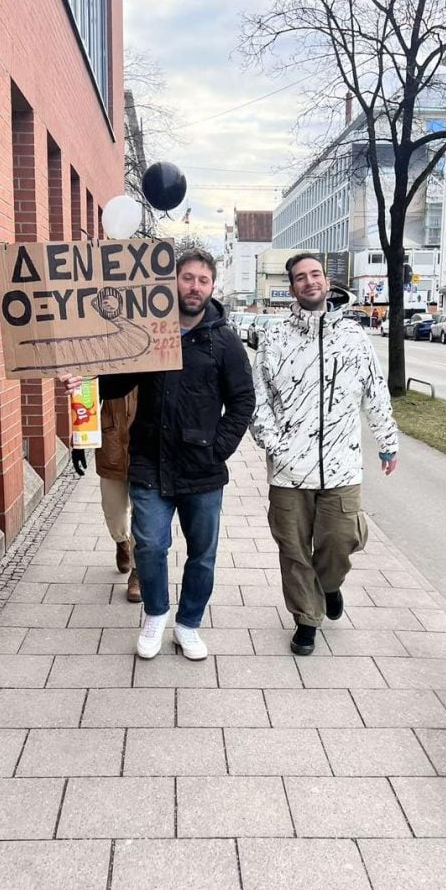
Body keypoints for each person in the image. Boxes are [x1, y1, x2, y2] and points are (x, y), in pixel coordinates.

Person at [62, 249, 255, 660]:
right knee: (149, 545)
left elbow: (242, 402)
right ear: (173, 282)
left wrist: (218, 448)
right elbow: (116, 382)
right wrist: (85, 379)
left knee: (202, 554)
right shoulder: (151, 333)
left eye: (203, 280)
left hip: (202, 470)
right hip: (149, 460)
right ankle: (155, 615)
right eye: (187, 278)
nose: (195, 287)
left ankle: (188, 625)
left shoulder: (224, 341)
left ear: (212, 287)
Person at [251, 254, 399, 656]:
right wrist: (273, 442)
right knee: (293, 549)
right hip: (288, 470)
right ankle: (306, 619)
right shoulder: (276, 337)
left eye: (315, 274)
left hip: (342, 464)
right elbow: (258, 397)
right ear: (292, 287)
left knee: (341, 538)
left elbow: (375, 392)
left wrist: (388, 441)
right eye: (300, 277)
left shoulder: (353, 336)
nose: (309, 282)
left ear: (327, 282)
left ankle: (329, 585)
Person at [97, 396, 141, 603]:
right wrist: (81, 438)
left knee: (144, 514)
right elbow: (87, 390)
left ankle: (137, 572)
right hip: (111, 441)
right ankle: (121, 541)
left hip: (145, 448)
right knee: (113, 508)